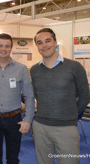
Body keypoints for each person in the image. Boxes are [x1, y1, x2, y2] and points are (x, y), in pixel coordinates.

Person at [30, 28, 90, 164]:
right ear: (37, 47)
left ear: (55, 42)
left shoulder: (74, 67)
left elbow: (85, 96)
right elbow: (37, 95)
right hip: (40, 127)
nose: (44, 45)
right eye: (39, 43)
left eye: (47, 41)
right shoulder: (34, 70)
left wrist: (71, 114)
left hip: (66, 128)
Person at [0, 33, 35, 164]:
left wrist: (28, 119)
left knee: (13, 158)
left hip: (14, 120)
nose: (3, 49)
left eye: (7, 46)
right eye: (0, 46)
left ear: (11, 48)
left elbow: (29, 95)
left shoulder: (21, 69)